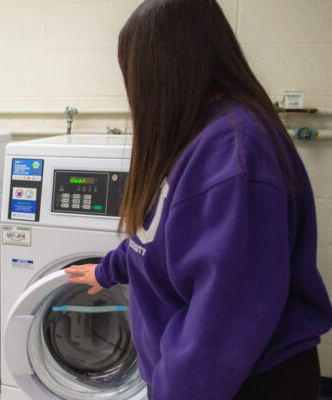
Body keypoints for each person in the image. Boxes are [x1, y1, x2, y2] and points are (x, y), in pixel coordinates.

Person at [64, 0, 332, 399]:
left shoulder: (235, 154)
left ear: (163, 70)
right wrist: (108, 269)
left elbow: (224, 320)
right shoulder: (192, 134)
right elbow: (158, 239)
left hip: (244, 382)